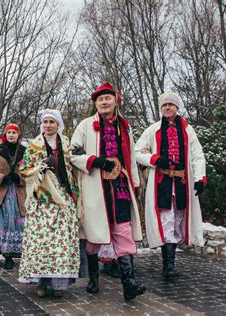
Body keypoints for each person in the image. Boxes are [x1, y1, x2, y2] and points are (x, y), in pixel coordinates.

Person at [70, 82, 146, 301]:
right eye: (100, 99)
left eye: (108, 98)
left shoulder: (125, 127)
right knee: (94, 237)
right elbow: (73, 153)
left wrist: (135, 182)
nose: (104, 102)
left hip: (120, 187)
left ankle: (129, 284)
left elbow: (130, 158)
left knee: (123, 231)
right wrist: (95, 161)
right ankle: (94, 279)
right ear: (95, 103)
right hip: (96, 187)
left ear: (115, 100)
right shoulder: (85, 126)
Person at [135, 92, 206, 279]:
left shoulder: (188, 130)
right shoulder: (153, 130)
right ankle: (168, 266)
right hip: (162, 183)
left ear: (177, 107)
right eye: (164, 105)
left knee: (176, 222)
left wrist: (200, 178)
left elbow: (197, 155)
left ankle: (171, 263)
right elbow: (137, 151)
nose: (167, 108)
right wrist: (155, 159)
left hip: (182, 183)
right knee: (165, 221)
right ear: (161, 109)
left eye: (171, 105)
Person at [18, 109, 80, 298]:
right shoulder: (34, 145)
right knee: (41, 243)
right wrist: (40, 167)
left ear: (58, 124)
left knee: (61, 244)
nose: (48, 125)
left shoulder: (67, 143)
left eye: (51, 122)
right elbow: (24, 169)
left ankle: (59, 283)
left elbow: (74, 167)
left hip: (62, 198)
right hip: (42, 200)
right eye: (45, 122)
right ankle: (41, 282)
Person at [0, 124, 26, 269]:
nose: (11, 135)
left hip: (19, 193)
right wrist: (1, 178)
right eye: (9, 132)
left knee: (18, 223)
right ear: (5, 134)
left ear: (18, 135)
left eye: (14, 132)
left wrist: (20, 177)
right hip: (0, 192)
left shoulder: (25, 152)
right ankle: (7, 255)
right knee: (4, 221)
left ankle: (17, 253)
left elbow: (31, 171)